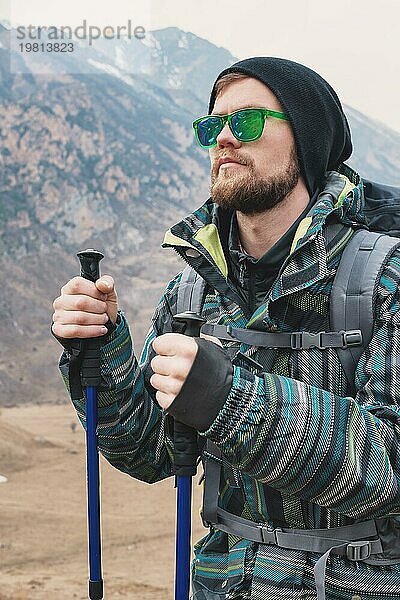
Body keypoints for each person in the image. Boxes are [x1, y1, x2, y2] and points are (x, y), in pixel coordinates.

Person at [52, 57, 400, 599]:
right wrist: (100, 349)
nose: (224, 140)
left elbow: (392, 469)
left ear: (306, 139)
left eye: (249, 122)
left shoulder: (383, 279)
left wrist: (230, 399)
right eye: (212, 126)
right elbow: (150, 449)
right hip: (222, 585)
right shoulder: (196, 290)